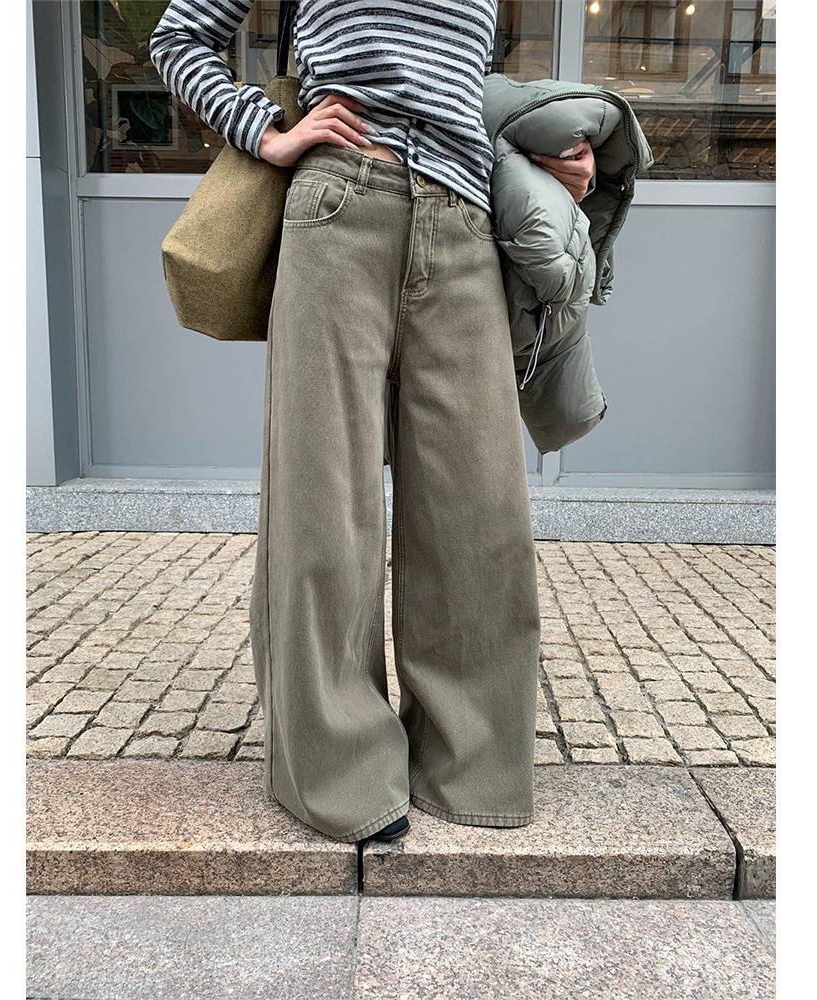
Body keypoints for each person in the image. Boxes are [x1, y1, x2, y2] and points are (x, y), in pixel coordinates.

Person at [149, 0, 595, 844]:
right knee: (325, 497)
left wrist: (544, 155)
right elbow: (178, 35)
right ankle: (338, 770)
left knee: (479, 508)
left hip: (464, 226)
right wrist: (264, 132)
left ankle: (471, 764)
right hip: (339, 209)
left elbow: (455, 83)